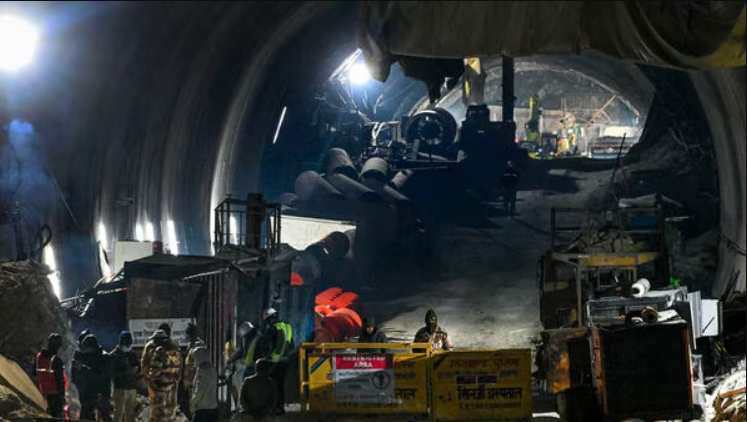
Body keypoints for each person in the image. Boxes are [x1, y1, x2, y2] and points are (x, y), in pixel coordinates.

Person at [141, 328, 182, 422]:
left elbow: (145, 364)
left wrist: (149, 378)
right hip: (172, 385)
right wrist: (176, 379)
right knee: (170, 411)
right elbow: (180, 366)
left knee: (157, 411)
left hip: (157, 385)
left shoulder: (152, 347)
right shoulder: (175, 346)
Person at [72, 334, 112, 421]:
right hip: (88, 391)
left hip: (102, 392)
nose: (84, 351)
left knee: (105, 415)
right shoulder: (86, 356)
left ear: (92, 347)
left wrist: (82, 368)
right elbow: (76, 374)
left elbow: (100, 376)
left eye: (86, 348)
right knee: (86, 416)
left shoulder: (104, 357)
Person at [263, 308, 292, 415]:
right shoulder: (287, 327)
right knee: (280, 386)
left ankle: (273, 408)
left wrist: (266, 356)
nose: (267, 324)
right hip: (285, 361)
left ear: (269, 319)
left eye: (267, 321)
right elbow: (291, 344)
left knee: (272, 386)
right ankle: (280, 408)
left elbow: (265, 345)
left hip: (274, 362)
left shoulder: (273, 329)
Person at [109, 331, 140, 422]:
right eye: (126, 344)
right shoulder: (114, 355)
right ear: (121, 343)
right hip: (120, 388)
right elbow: (110, 372)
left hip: (131, 388)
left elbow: (138, 367)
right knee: (118, 413)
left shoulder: (131, 354)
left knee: (130, 414)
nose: (128, 346)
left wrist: (134, 370)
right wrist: (123, 372)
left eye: (129, 344)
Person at [35, 333, 66, 418]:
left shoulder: (38, 357)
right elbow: (60, 380)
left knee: (47, 414)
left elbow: (34, 373)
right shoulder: (56, 360)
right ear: (59, 345)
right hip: (55, 393)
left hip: (42, 391)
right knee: (56, 416)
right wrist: (62, 396)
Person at [189, 345, 218, 422]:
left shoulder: (202, 370)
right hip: (213, 407)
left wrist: (193, 404)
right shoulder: (212, 369)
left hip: (202, 409)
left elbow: (200, 390)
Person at [181, 323, 205, 420]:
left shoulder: (199, 345)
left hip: (195, 381)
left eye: (188, 334)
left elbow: (199, 364)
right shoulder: (190, 345)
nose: (186, 336)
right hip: (189, 382)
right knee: (190, 406)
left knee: (196, 406)